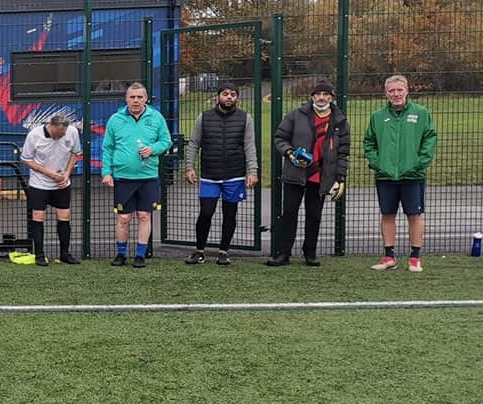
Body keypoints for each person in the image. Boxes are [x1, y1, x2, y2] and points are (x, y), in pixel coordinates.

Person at [270, 81, 349, 267]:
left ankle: (310, 253)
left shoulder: (340, 121)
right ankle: (283, 253)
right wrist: (289, 152)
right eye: (318, 94)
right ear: (312, 97)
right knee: (289, 213)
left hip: (321, 176)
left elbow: (343, 151)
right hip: (295, 174)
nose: (321, 97)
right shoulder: (296, 115)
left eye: (325, 94)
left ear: (332, 97)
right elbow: (280, 138)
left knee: (314, 215)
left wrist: (340, 178)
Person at [365, 74, 438, 272]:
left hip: (413, 176)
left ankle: (415, 258)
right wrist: (377, 163)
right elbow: (369, 142)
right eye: (392, 91)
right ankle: (389, 257)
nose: (396, 94)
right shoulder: (378, 117)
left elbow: (430, 138)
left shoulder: (421, 113)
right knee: (387, 215)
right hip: (385, 175)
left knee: (414, 215)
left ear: (407, 90)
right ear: (386, 93)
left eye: (399, 90)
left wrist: (419, 163)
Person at [184, 82, 258, 266]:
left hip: (234, 175)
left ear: (237, 98)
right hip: (209, 175)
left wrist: (252, 171)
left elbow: (249, 146)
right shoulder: (204, 117)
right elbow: (194, 143)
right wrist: (189, 167)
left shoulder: (245, 118)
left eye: (233, 94)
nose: (229, 97)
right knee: (206, 213)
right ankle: (199, 251)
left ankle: (223, 252)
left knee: (230, 214)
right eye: (225, 94)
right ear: (218, 96)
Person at [101, 82, 171, 268]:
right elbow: (107, 148)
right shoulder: (115, 119)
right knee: (124, 218)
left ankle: (140, 255)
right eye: (132, 97)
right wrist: (106, 172)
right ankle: (121, 254)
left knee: (144, 216)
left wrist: (153, 149)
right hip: (123, 178)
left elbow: (166, 141)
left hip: (148, 177)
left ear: (146, 98)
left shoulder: (156, 118)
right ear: (126, 99)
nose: (136, 101)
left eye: (140, 97)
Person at [20, 113, 82, 266]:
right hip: (39, 183)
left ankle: (64, 254)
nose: (60, 137)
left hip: (62, 184)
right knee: (38, 216)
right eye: (57, 134)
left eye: (63, 134)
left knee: (64, 216)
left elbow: (75, 154)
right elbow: (26, 159)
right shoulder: (34, 135)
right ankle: (39, 255)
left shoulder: (72, 132)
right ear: (51, 126)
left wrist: (66, 175)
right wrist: (50, 173)